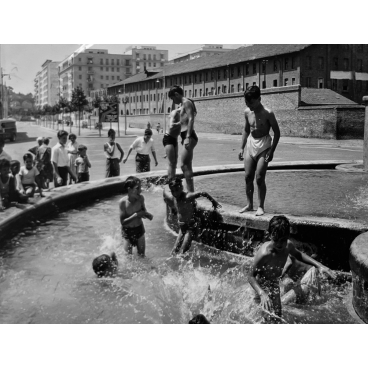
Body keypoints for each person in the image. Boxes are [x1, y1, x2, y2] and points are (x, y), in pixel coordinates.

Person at [248, 215, 336, 322]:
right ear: (269, 235)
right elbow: (251, 276)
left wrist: (319, 265)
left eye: (283, 240)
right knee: (264, 317)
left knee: (277, 316)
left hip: (274, 284)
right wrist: (262, 293)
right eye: (276, 240)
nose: (280, 244)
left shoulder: (288, 246)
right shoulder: (264, 254)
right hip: (262, 288)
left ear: (288, 236)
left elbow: (299, 255)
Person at [238, 85, 281, 216]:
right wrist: (242, 147)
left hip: (264, 145)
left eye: (251, 103)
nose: (249, 105)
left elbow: (277, 133)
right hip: (251, 143)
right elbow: (246, 130)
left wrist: (271, 151)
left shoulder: (268, 113)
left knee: (260, 177)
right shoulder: (247, 112)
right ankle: (249, 204)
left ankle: (260, 206)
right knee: (248, 177)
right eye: (246, 103)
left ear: (259, 99)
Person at [164, 177, 221, 255]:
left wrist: (214, 202)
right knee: (174, 251)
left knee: (182, 252)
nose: (175, 193)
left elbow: (203, 193)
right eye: (173, 191)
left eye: (177, 190)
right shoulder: (175, 198)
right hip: (182, 228)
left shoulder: (187, 197)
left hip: (190, 228)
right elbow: (179, 209)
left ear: (181, 187)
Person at [168, 85, 198, 192]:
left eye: (172, 98)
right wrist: (177, 123)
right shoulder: (184, 104)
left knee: (184, 165)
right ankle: (190, 192)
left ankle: (190, 192)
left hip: (188, 136)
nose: (173, 101)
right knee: (187, 165)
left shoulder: (186, 102)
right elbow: (185, 119)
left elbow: (191, 119)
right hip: (185, 135)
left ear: (176, 94)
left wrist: (187, 137)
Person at [119, 176, 153, 257]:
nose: (140, 190)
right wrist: (136, 215)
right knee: (128, 258)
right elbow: (123, 222)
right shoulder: (123, 202)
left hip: (139, 229)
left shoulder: (141, 199)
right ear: (129, 189)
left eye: (140, 187)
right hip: (127, 232)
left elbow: (143, 211)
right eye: (137, 188)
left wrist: (147, 215)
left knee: (142, 256)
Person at [162, 104, 181, 181]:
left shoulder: (183, 114)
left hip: (175, 139)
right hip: (168, 138)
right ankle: (170, 180)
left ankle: (173, 179)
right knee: (171, 162)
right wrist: (181, 122)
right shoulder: (175, 112)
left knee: (175, 162)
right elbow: (171, 126)